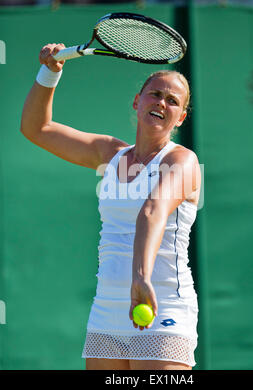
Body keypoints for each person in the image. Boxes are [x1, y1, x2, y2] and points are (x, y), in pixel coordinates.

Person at [20, 43, 201, 370]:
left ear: (181, 118)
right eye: (155, 94)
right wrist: (50, 72)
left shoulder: (182, 161)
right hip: (107, 308)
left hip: (164, 305)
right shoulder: (109, 153)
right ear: (137, 101)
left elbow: (153, 210)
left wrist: (141, 277)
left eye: (172, 101)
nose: (161, 102)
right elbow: (37, 129)